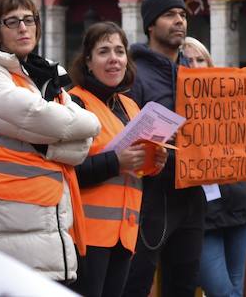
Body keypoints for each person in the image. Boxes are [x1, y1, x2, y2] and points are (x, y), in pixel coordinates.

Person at [0, 0, 99, 284]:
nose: (23, 27)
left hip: (48, 214)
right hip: (3, 216)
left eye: (29, 20)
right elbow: (38, 115)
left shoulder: (43, 76)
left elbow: (81, 149)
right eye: (12, 21)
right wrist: (87, 124)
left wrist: (50, 141)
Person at [67, 21, 164, 297]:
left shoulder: (131, 106)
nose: (114, 59)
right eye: (103, 51)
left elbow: (134, 170)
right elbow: (68, 172)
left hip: (125, 234)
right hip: (85, 237)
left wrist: (152, 162)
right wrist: (117, 162)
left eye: (120, 51)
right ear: (87, 62)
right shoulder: (75, 103)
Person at [124, 0, 206, 297]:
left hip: (192, 199)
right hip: (151, 200)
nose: (179, 21)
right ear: (150, 24)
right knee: (137, 284)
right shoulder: (134, 75)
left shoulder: (194, 75)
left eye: (183, 15)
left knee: (183, 287)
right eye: (169, 15)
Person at [182, 38, 246, 297]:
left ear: (210, 63)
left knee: (235, 288)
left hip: (238, 204)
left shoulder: (233, 98)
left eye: (200, 59)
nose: (194, 66)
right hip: (202, 212)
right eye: (187, 61)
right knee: (223, 291)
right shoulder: (172, 102)